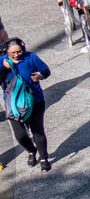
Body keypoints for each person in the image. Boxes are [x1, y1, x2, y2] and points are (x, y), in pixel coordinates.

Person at [1, 38, 52, 171]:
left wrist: (40, 76)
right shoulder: (2, 62)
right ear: (7, 51)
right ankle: (31, 150)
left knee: (37, 131)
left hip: (35, 100)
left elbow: (46, 71)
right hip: (13, 104)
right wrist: (5, 69)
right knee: (20, 135)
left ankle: (43, 158)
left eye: (19, 51)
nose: (17, 55)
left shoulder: (31, 57)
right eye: (13, 53)